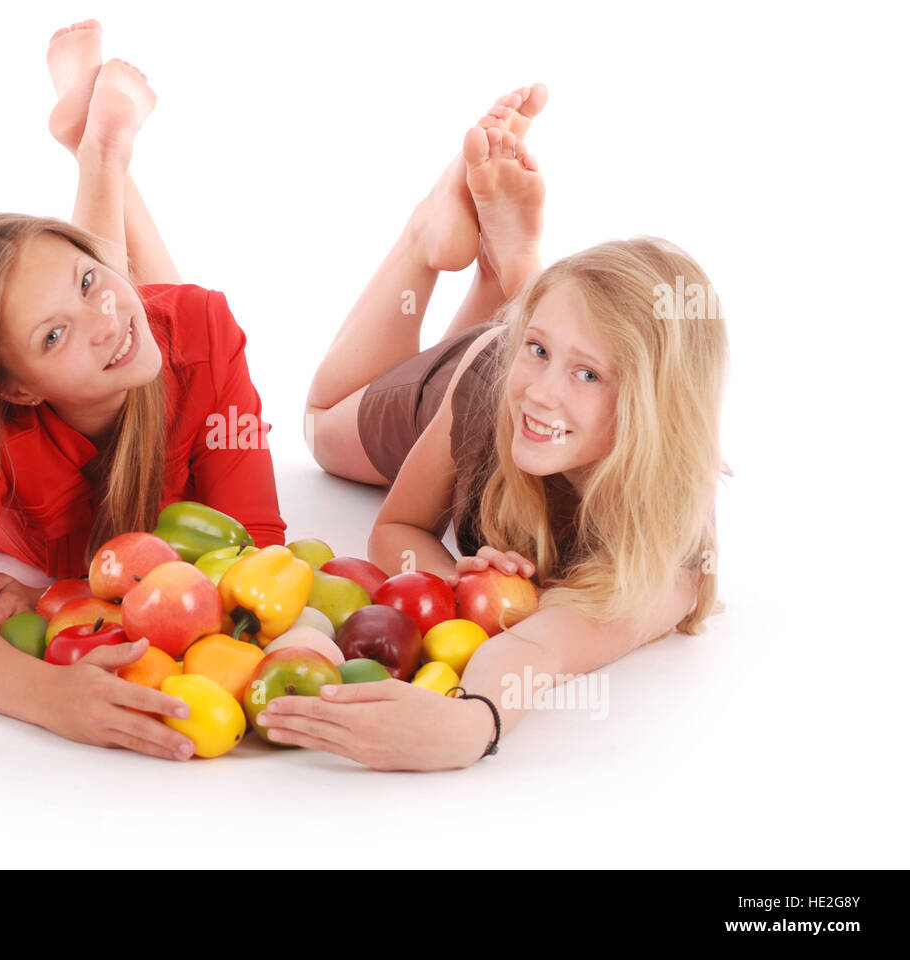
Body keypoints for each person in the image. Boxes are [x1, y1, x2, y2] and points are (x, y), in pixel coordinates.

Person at [0, 21, 285, 763]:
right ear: (15, 388)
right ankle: (102, 149)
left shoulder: (201, 323)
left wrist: (71, 598)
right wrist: (50, 696)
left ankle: (102, 154)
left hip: (170, 341)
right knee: (136, 328)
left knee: (154, 315)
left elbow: (257, 550)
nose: (101, 319)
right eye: (49, 337)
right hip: (124, 392)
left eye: (88, 276)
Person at [275, 85, 730, 770]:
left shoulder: (669, 562)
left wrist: (471, 726)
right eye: (542, 352)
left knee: (544, 359)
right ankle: (430, 239)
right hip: (466, 385)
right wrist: (461, 576)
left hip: (513, 353)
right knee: (319, 427)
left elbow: (541, 647)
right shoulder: (499, 385)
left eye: (590, 376)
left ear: (653, 412)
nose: (543, 393)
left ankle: (509, 271)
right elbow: (396, 529)